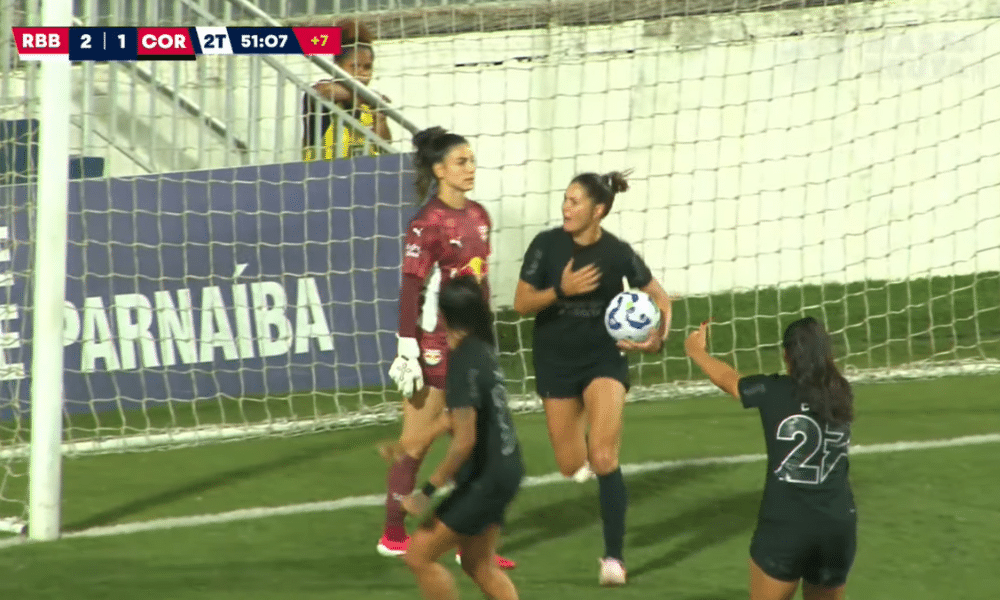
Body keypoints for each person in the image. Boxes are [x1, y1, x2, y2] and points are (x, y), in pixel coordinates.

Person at [512, 170, 673, 586]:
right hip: (555, 364)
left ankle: (614, 559)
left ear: (598, 210)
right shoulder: (546, 246)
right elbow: (521, 303)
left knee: (603, 458)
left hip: (604, 360)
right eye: (565, 200)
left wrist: (658, 337)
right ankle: (583, 448)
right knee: (570, 464)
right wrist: (561, 290)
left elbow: (659, 295)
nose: (566, 208)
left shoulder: (617, 252)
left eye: (575, 202)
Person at [381, 125, 515, 570]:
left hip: (471, 342)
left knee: (474, 441)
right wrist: (407, 346)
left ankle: (468, 543)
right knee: (416, 442)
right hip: (434, 343)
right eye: (461, 162)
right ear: (439, 170)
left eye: (472, 160)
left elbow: (481, 284)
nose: (470, 168)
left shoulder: (479, 216)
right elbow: (411, 286)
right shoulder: (426, 223)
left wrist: (486, 339)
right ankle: (394, 534)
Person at [684, 316, 857, 600]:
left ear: (787, 355)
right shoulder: (843, 393)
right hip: (837, 527)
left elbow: (730, 381)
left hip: (786, 526)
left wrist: (697, 351)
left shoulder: (773, 391)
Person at [401, 275, 524, 600]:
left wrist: (426, 492)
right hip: (506, 468)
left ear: (443, 317)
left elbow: (464, 440)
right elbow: (456, 418)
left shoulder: (462, 363)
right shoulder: (482, 352)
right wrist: (409, 444)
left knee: (420, 556)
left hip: (486, 476)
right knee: (478, 563)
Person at [302, 18, 391, 160]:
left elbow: (385, 148)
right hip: (321, 175)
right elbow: (326, 91)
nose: (361, 72)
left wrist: (380, 119)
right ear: (337, 66)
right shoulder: (321, 95)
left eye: (367, 67)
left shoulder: (370, 105)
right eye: (354, 66)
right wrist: (366, 97)